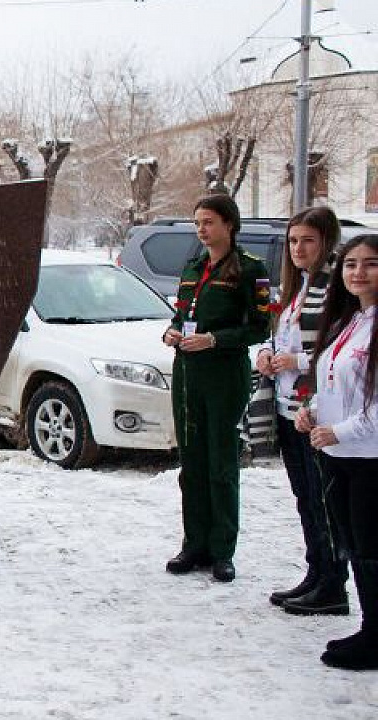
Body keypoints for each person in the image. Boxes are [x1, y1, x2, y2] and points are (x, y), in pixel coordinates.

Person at [162, 194, 272, 583]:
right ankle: (195, 544)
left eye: (209, 222)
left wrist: (215, 340)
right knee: (191, 463)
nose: (202, 230)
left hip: (224, 375)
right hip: (189, 374)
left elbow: (260, 327)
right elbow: (181, 314)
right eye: (198, 223)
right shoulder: (193, 267)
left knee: (221, 464)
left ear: (229, 224)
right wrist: (172, 332)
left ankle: (223, 548)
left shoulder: (250, 269)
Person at [256, 208, 349, 615]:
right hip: (286, 404)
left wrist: (294, 361)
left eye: (307, 240)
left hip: (316, 410)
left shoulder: (336, 288)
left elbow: (337, 347)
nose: (298, 248)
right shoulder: (296, 288)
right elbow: (280, 337)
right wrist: (266, 355)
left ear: (326, 241)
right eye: (293, 241)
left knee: (323, 501)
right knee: (305, 498)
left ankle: (333, 584)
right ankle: (316, 573)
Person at [297, 233, 378, 671]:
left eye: (370, 264)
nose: (358, 273)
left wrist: (339, 431)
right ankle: (372, 627)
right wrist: (311, 411)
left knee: (371, 546)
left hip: (370, 456)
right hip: (343, 454)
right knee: (357, 544)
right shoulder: (352, 319)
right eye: (350, 264)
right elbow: (336, 383)